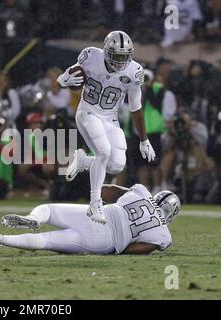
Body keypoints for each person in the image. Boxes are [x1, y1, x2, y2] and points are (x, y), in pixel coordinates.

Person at [58, 30, 155, 224]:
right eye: (116, 56)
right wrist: (63, 80)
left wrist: (144, 139)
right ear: (106, 51)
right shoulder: (91, 56)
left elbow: (136, 107)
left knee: (116, 165)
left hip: (110, 118)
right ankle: (95, 203)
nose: (120, 62)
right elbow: (66, 76)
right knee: (103, 151)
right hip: (88, 112)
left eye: (124, 57)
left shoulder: (134, 71)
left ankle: (84, 161)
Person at [0, 184, 180, 255]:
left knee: (47, 209)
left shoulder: (142, 192)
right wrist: (120, 246)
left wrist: (97, 191)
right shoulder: (163, 235)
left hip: (98, 214)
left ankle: (31, 218)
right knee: (46, 241)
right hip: (104, 240)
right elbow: (137, 249)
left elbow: (113, 190)